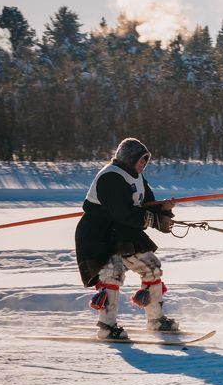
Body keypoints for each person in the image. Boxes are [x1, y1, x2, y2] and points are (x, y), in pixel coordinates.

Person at [75, 137, 181, 339]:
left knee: (151, 267)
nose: (144, 164)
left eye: (145, 160)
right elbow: (123, 213)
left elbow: (147, 204)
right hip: (100, 234)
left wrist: (163, 210)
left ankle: (156, 320)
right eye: (141, 160)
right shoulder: (111, 177)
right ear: (129, 158)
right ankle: (107, 327)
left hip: (123, 232)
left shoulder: (136, 176)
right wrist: (157, 221)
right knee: (111, 273)